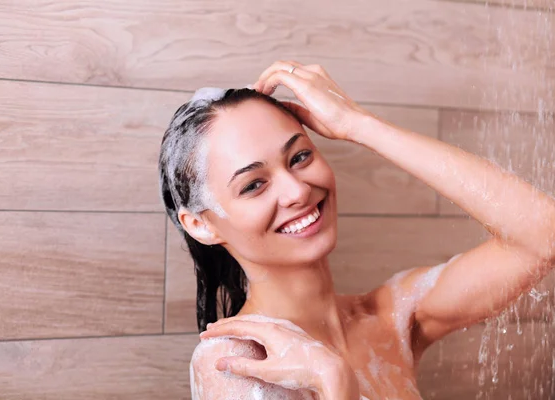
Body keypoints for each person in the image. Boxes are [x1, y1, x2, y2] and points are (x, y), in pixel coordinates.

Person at [158, 60, 555, 399]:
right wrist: (336, 384)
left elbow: (543, 236)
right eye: (253, 185)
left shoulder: (392, 318)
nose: (297, 190)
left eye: (299, 156)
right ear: (202, 225)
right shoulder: (237, 361)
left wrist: (359, 124)